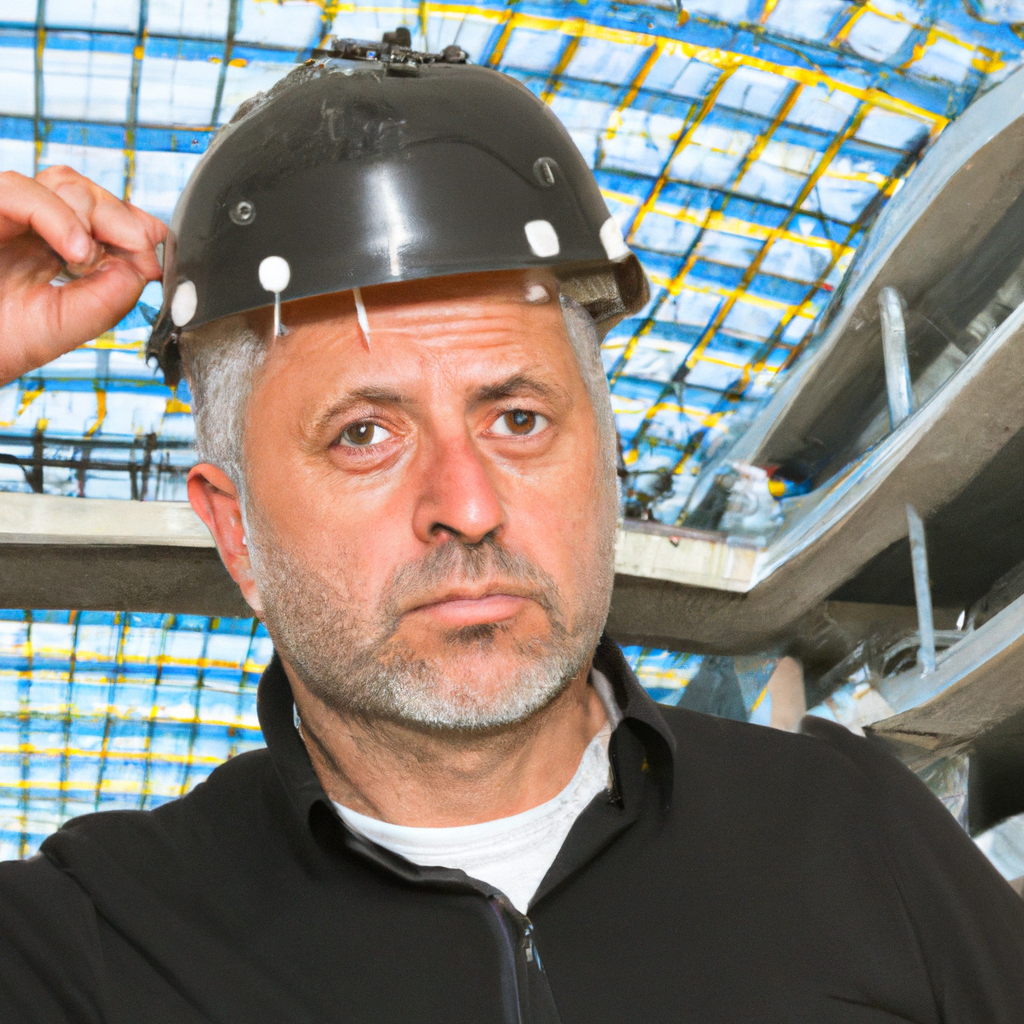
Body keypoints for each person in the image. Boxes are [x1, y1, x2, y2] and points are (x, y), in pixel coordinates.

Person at [1, 37, 1023, 1024]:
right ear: (235, 532)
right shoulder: (92, 941)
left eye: (518, 419)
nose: (469, 502)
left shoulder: (846, 829)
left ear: (604, 456)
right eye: (364, 434)